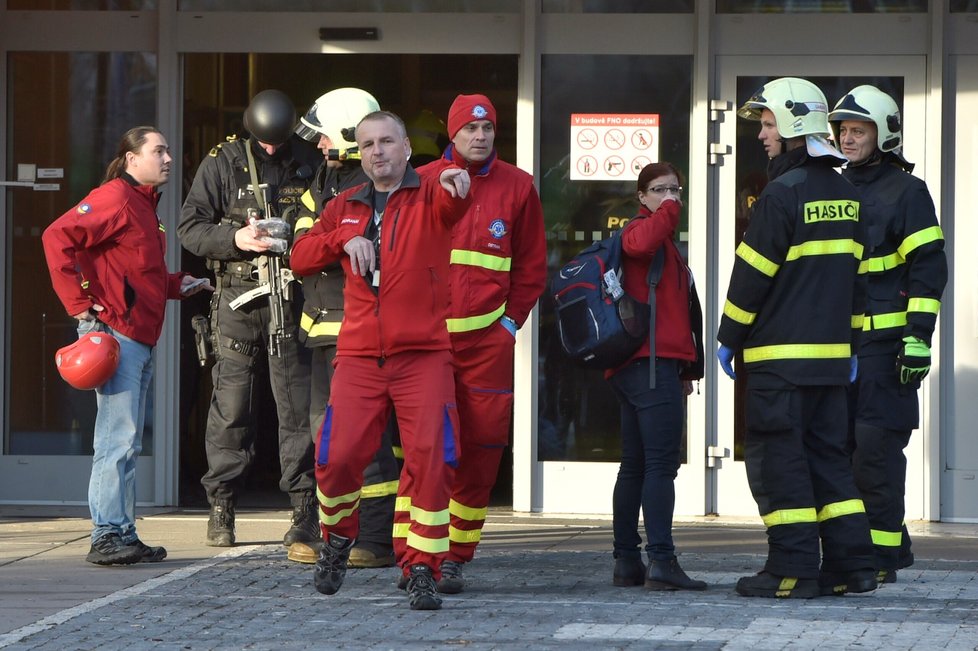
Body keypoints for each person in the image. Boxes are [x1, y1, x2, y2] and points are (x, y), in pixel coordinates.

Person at [290, 110, 471, 611]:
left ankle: (422, 569)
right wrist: (340, 239)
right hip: (361, 355)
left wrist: (457, 181)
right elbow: (300, 256)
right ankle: (338, 540)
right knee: (337, 458)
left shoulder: (432, 192)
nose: (377, 152)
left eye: (386, 142)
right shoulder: (344, 204)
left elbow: (455, 194)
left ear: (406, 146)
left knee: (432, 461)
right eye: (368, 144)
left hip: (424, 356)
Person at [716, 77, 877, 599]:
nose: (762, 135)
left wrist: (727, 336)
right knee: (829, 459)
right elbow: (858, 281)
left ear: (791, 128)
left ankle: (790, 570)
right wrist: (850, 347)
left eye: (767, 125)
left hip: (778, 364)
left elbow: (751, 277)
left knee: (779, 462)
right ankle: (852, 566)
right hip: (831, 364)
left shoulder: (781, 195)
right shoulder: (849, 194)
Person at [42, 126, 213, 565]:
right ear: (132, 159)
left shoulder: (143, 206)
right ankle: (105, 536)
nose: (169, 158)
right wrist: (80, 306)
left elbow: (139, 275)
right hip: (117, 337)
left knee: (127, 440)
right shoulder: (115, 198)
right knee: (116, 441)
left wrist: (179, 285)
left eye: (169, 151)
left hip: (136, 336)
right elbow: (55, 236)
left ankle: (123, 533)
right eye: (159, 151)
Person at [411, 94, 547, 594]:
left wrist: (510, 324)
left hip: (488, 341)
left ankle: (455, 556)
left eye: (487, 128)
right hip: (428, 343)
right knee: (427, 450)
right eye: (470, 129)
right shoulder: (421, 182)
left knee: (482, 448)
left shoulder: (518, 186)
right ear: (453, 134)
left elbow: (531, 267)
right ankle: (415, 558)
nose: (480, 136)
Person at [177, 89, 319, 552]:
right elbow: (190, 228)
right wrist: (236, 237)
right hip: (237, 299)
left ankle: (303, 508)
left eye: (280, 143)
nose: (274, 151)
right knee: (232, 408)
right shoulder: (222, 161)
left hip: (292, 298)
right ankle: (221, 504)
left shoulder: (309, 159)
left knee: (297, 408)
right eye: (267, 144)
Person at [828, 85, 947, 584]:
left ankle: (877, 559)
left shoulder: (906, 191)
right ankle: (884, 547)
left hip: (887, 350)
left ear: (885, 135)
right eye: (843, 131)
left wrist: (918, 337)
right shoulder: (835, 186)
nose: (848, 139)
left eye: (859, 131)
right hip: (842, 349)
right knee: (844, 452)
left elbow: (928, 264)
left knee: (874, 453)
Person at [287, 87, 401, 569]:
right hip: (323, 329)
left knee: (369, 439)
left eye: (326, 138)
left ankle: (376, 536)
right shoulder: (328, 180)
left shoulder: (372, 188)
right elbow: (302, 247)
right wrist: (333, 240)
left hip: (359, 333)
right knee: (328, 438)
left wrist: (327, 240)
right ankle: (335, 530)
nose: (319, 146)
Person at [607, 162, 706, 592]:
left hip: (653, 364)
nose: (671, 197)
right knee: (658, 466)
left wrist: (686, 366)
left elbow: (677, 311)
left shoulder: (662, 238)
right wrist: (667, 211)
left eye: (676, 190)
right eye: (660, 190)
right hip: (647, 367)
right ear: (641, 196)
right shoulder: (640, 230)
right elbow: (641, 243)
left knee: (637, 465)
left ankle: (628, 561)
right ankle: (661, 560)